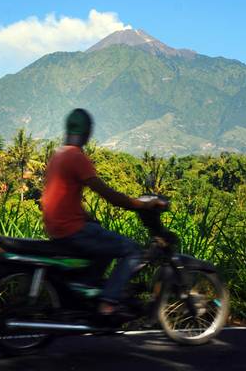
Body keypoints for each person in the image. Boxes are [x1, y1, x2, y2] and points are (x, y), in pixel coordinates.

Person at [41, 108, 165, 315]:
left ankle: (88, 288)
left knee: (101, 235)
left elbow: (60, 197)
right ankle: (108, 302)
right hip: (71, 230)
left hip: (56, 227)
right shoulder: (76, 157)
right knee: (131, 250)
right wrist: (141, 204)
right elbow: (107, 194)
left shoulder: (57, 155)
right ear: (88, 133)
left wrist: (88, 217)